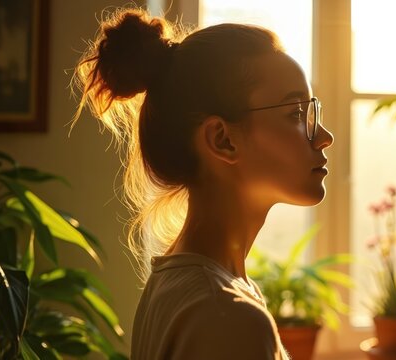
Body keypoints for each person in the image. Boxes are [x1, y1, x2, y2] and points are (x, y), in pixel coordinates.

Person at [73, 8, 333, 360]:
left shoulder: (184, 285)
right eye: (296, 114)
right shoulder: (227, 315)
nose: (324, 137)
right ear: (222, 140)